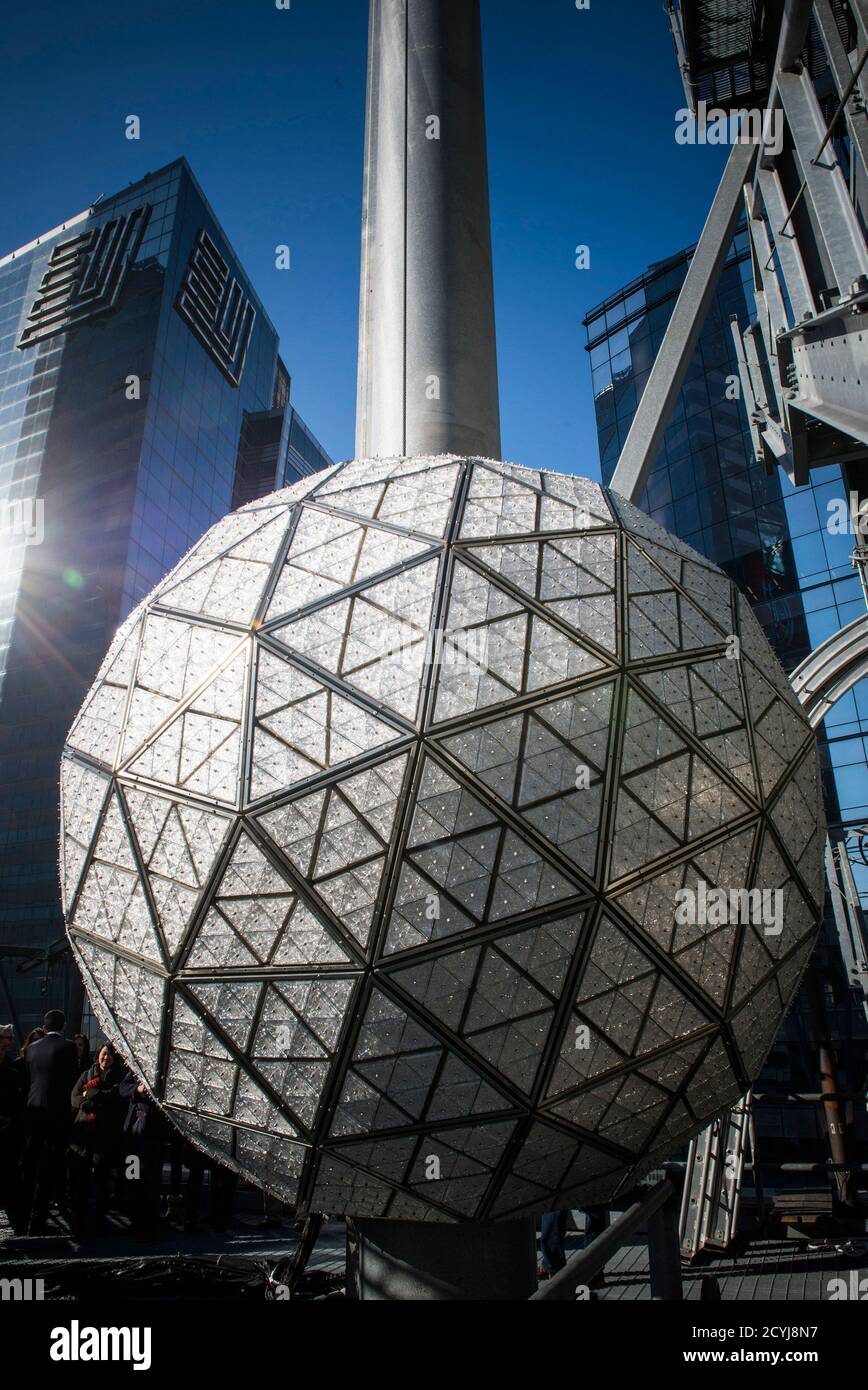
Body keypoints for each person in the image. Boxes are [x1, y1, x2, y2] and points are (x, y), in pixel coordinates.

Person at [18, 1011, 79, 1235]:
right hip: (56, 1114)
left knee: (29, 1165)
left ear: (44, 1027)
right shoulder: (68, 1047)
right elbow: (72, 1080)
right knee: (48, 1168)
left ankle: (20, 1219)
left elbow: (30, 1079)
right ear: (63, 1026)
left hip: (33, 1112)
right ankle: (38, 1220)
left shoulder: (31, 1049)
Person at [69, 1041, 126, 1236]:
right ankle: (80, 1220)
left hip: (105, 1135)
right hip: (84, 1133)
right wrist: (92, 1099)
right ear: (98, 1055)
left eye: (110, 1055)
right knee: (81, 1179)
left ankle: (100, 1219)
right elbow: (74, 1097)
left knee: (102, 1179)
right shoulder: (87, 1073)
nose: (106, 1057)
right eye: (103, 1054)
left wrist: (92, 1094)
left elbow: (116, 1096)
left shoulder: (119, 1075)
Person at [119, 1070, 164, 1242]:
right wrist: (137, 1090)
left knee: (149, 1182)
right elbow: (122, 1088)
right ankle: (134, 1221)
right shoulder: (136, 1066)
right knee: (133, 1178)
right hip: (133, 1136)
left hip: (150, 1134)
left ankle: (149, 1227)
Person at [0, 1025, 25, 1228]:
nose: (7, 1043)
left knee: (10, 1178)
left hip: (9, 1133)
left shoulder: (11, 1067)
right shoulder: (10, 1068)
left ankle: (17, 1222)